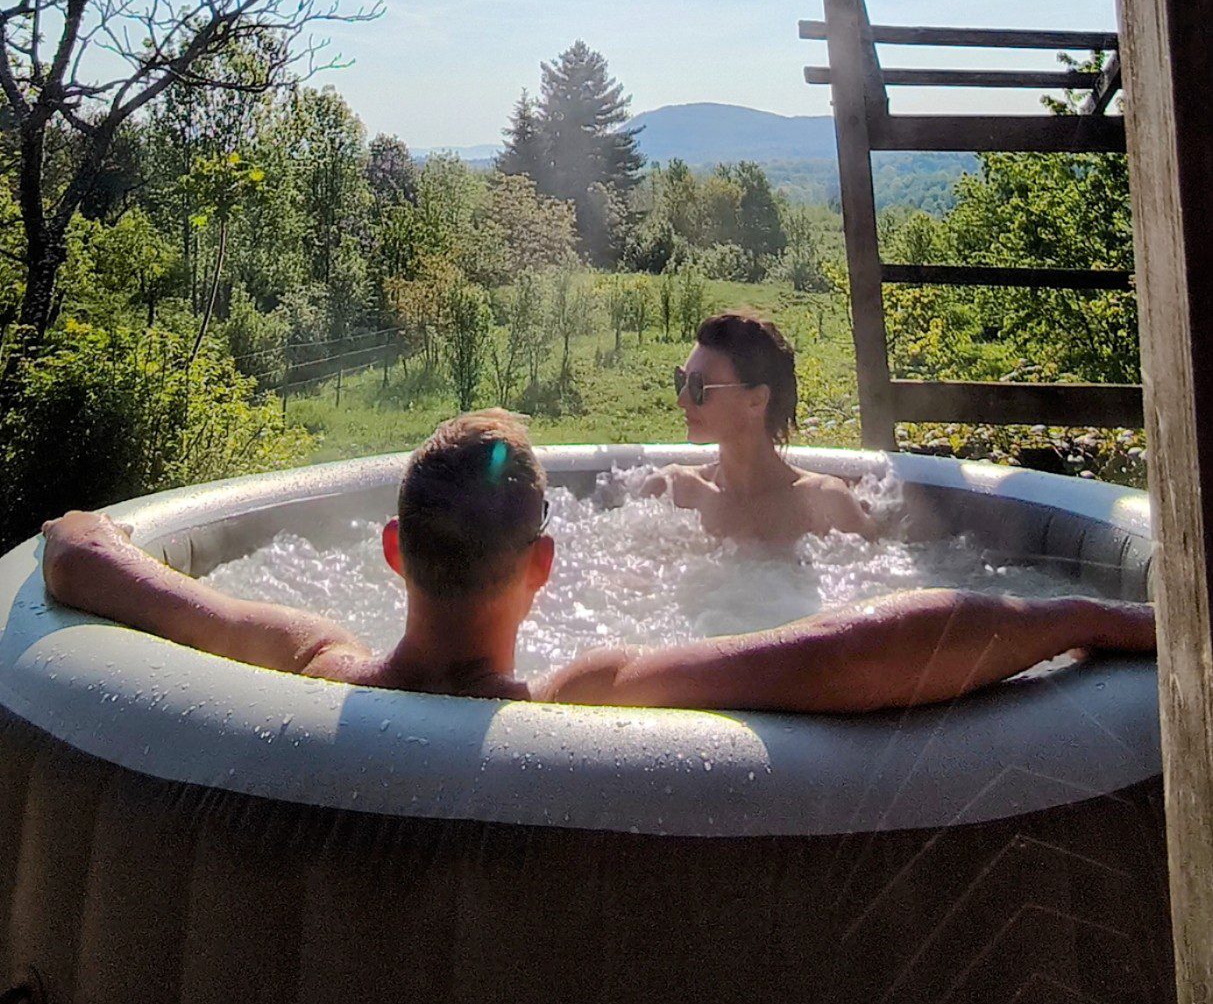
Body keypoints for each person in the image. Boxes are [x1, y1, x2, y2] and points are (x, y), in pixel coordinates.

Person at [41, 409, 1154, 714]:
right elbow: (857, 646)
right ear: (544, 567)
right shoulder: (579, 701)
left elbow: (82, 556)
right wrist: (1083, 617)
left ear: (390, 551)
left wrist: (89, 518)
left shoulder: (309, 659)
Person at [643, 308, 876, 544]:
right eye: (681, 381)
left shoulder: (824, 503)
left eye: (698, 386)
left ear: (756, 400)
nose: (682, 400)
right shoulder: (671, 493)